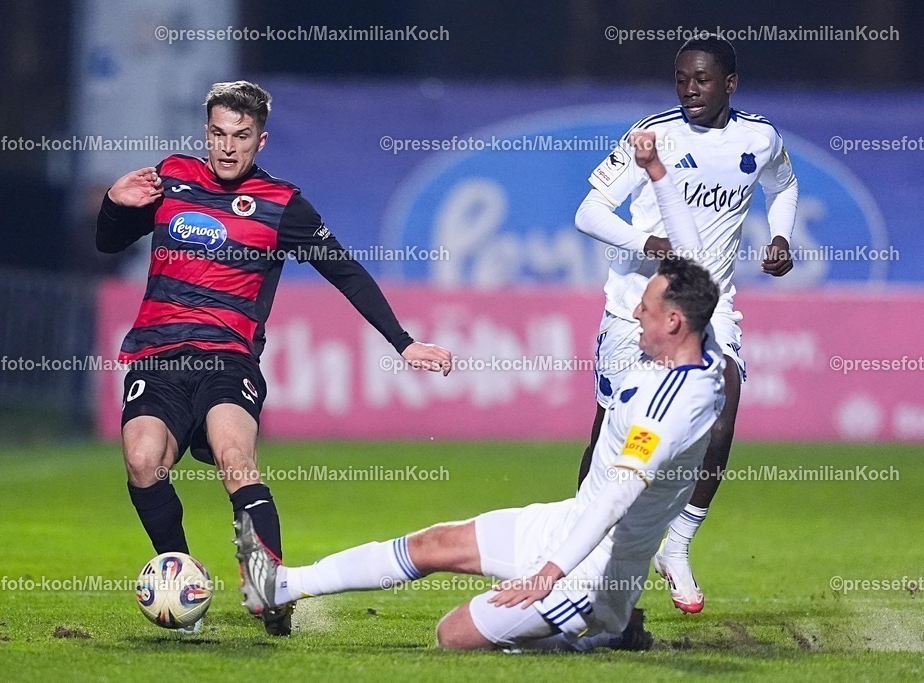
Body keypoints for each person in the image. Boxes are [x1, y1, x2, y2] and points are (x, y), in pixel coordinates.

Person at [96, 80, 452, 636]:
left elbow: (344, 269)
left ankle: (272, 593)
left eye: (241, 135)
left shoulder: (282, 204)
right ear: (205, 132)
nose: (227, 146)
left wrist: (403, 342)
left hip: (227, 359)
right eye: (218, 133)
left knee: (234, 456)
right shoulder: (172, 178)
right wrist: (114, 206)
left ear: (261, 140)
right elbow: (108, 243)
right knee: (143, 461)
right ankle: (183, 579)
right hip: (158, 355)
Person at [236, 251, 725, 650]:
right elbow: (697, 263)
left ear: (676, 321)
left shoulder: (674, 405)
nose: (636, 311)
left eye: (647, 306)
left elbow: (618, 495)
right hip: (569, 523)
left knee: (453, 636)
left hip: (597, 569)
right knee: (433, 544)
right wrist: (658, 173)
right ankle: (282, 585)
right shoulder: (690, 348)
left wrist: (549, 574)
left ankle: (605, 635)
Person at [574, 35, 799, 613]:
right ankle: (581, 558)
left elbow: (784, 185)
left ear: (730, 83)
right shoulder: (654, 135)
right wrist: (644, 240)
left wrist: (780, 238)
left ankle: (677, 545)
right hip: (637, 303)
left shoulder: (760, 137)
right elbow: (588, 212)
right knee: (610, 433)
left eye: (701, 79)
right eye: (681, 79)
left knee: (723, 414)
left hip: (710, 303)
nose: (689, 90)